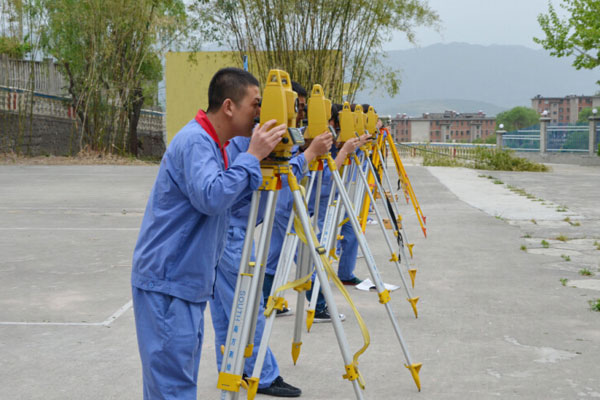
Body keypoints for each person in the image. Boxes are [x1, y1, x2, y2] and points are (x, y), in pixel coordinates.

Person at [131, 67, 286, 400]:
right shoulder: (196, 141)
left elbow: (226, 201)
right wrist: (252, 157)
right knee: (173, 387)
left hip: (184, 281)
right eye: (255, 105)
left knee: (174, 382)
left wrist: (256, 166)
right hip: (169, 282)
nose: (260, 115)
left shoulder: (216, 144)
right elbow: (212, 196)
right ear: (229, 106)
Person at [209, 103, 333, 396]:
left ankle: (232, 366)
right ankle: (262, 375)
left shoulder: (267, 138)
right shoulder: (249, 141)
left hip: (235, 228)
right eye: (296, 109)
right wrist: (310, 155)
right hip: (232, 230)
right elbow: (266, 179)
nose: (298, 116)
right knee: (248, 303)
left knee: (229, 306)